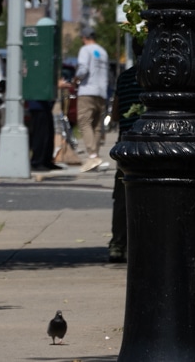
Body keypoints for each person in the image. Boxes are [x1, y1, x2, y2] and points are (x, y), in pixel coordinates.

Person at [108, 39, 145, 263]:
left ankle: (117, 243)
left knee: (122, 195)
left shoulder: (124, 78)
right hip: (148, 139)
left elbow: (114, 113)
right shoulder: (154, 77)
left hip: (126, 141)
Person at [74, 26, 110, 173]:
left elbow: (83, 69)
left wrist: (75, 79)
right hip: (101, 92)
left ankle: (92, 155)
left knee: (84, 121)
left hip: (87, 90)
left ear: (84, 37)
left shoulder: (85, 50)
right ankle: (95, 156)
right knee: (96, 126)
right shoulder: (103, 52)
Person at [27, 99, 56, 171]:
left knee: (48, 134)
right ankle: (37, 162)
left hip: (46, 105)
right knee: (40, 135)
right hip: (38, 104)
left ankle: (46, 161)